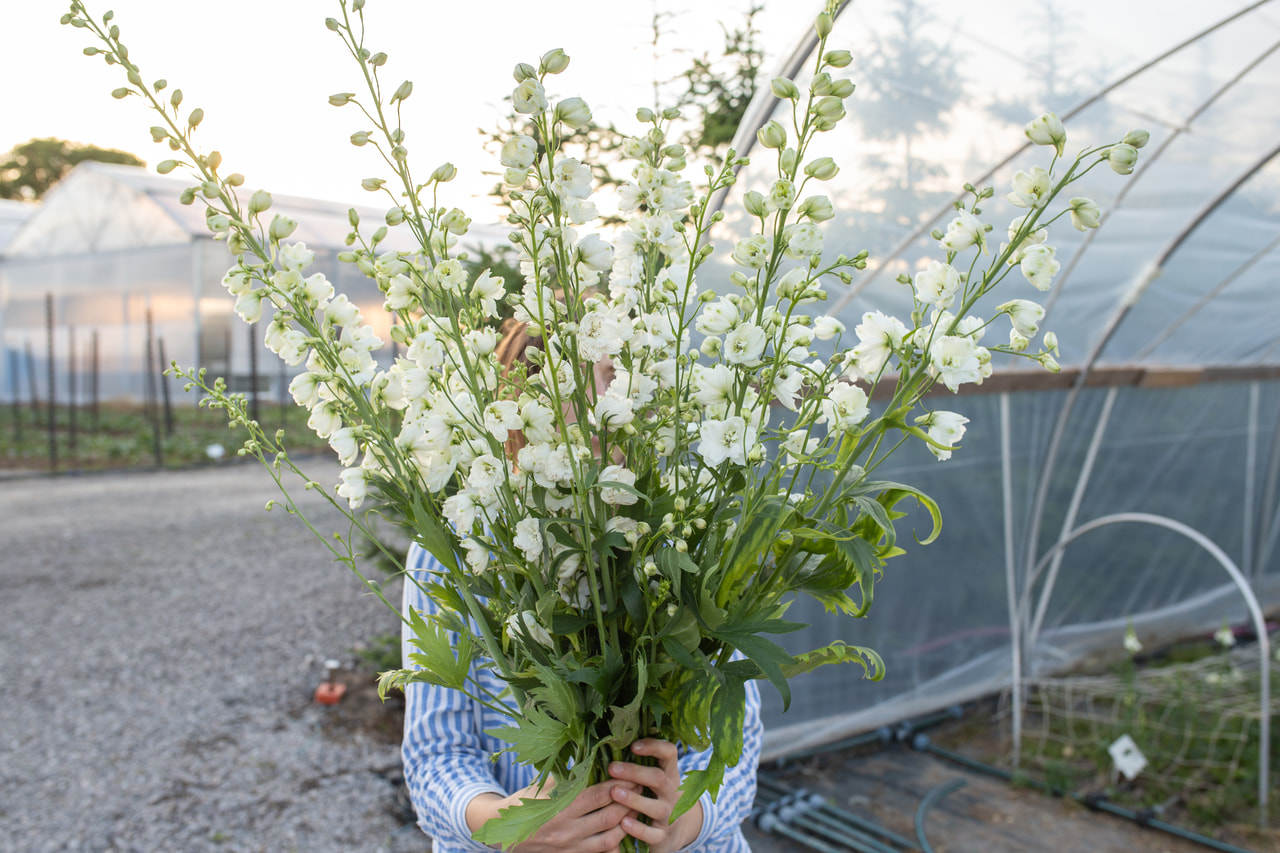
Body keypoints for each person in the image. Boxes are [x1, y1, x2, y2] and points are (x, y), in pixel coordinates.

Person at [399, 319, 763, 852]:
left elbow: (735, 746)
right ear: (513, 404)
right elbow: (436, 758)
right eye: (563, 379)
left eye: (615, 374)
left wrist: (680, 823)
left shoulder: (686, 536)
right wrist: (507, 824)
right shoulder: (455, 550)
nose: (598, 401)